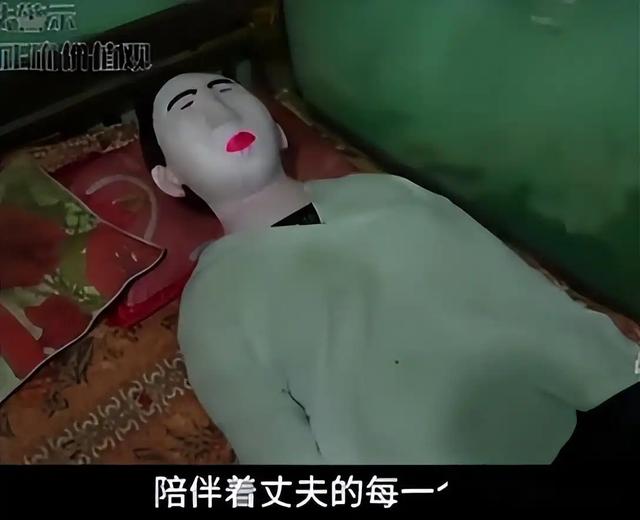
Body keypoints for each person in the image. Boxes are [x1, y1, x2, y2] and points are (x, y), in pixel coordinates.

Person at [150, 73, 639, 464]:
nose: (220, 114)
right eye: (185, 108)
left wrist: (612, 357)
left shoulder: (385, 192)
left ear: (277, 131)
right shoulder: (213, 304)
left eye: (225, 90)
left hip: (589, 397)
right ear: (170, 179)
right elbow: (275, 447)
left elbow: (514, 281)